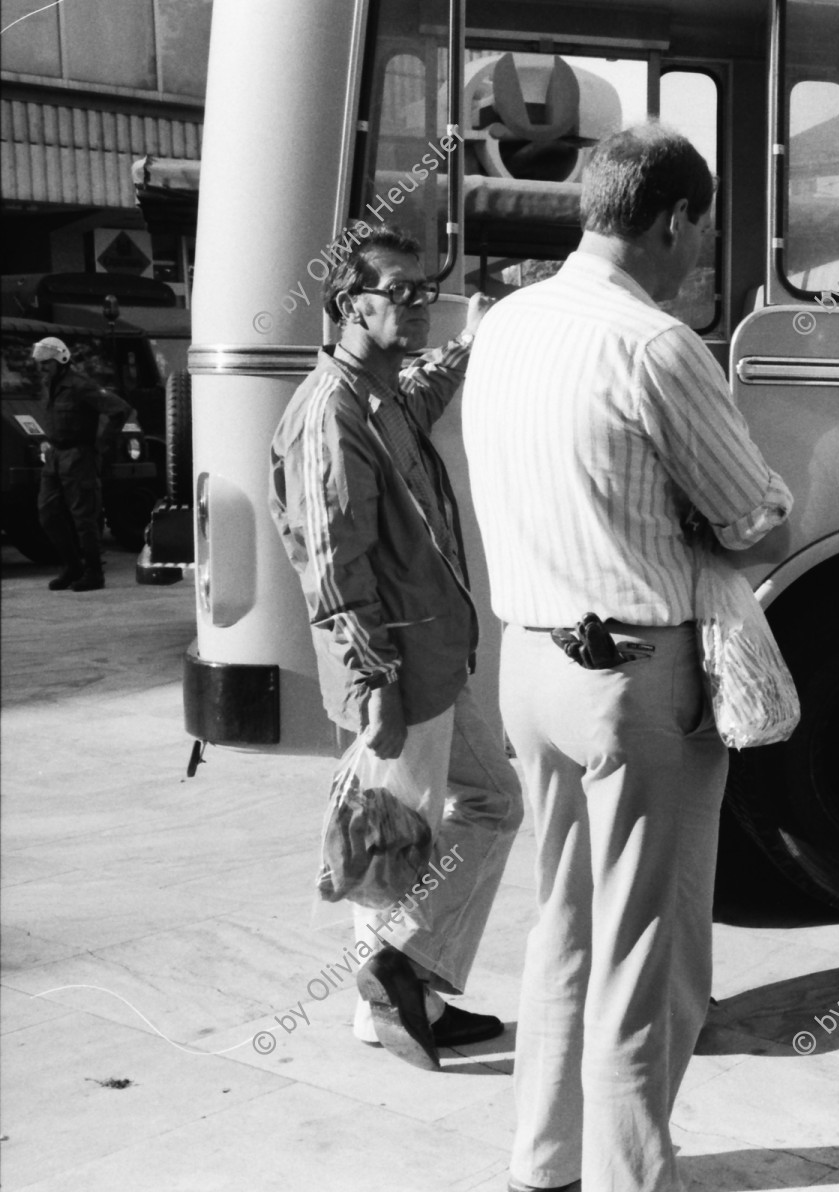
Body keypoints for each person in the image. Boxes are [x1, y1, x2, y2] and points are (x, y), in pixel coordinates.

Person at [462, 123, 792, 1192]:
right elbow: (756, 522)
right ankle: (631, 1178)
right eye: (702, 229)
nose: (702, 254)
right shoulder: (655, 345)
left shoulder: (507, 324)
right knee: (651, 957)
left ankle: (545, 1165)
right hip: (635, 676)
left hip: (527, 665)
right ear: (674, 218)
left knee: (564, 924)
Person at [268, 227, 523, 1072]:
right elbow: (330, 561)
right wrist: (372, 675)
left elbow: (428, 385)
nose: (418, 304)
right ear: (350, 303)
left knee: (477, 806)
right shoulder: (330, 411)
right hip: (398, 668)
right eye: (401, 292)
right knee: (393, 845)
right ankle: (397, 982)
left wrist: (471, 340)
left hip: (435, 657)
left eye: (425, 291)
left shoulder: (382, 393)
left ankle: (399, 987)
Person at [32, 336, 131, 591]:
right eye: (40, 364)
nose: (41, 368)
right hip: (54, 456)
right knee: (48, 514)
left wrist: (100, 446)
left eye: (46, 364)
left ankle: (94, 574)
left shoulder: (80, 385)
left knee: (84, 518)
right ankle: (72, 566)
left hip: (78, 457)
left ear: (60, 361)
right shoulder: (48, 385)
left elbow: (119, 410)